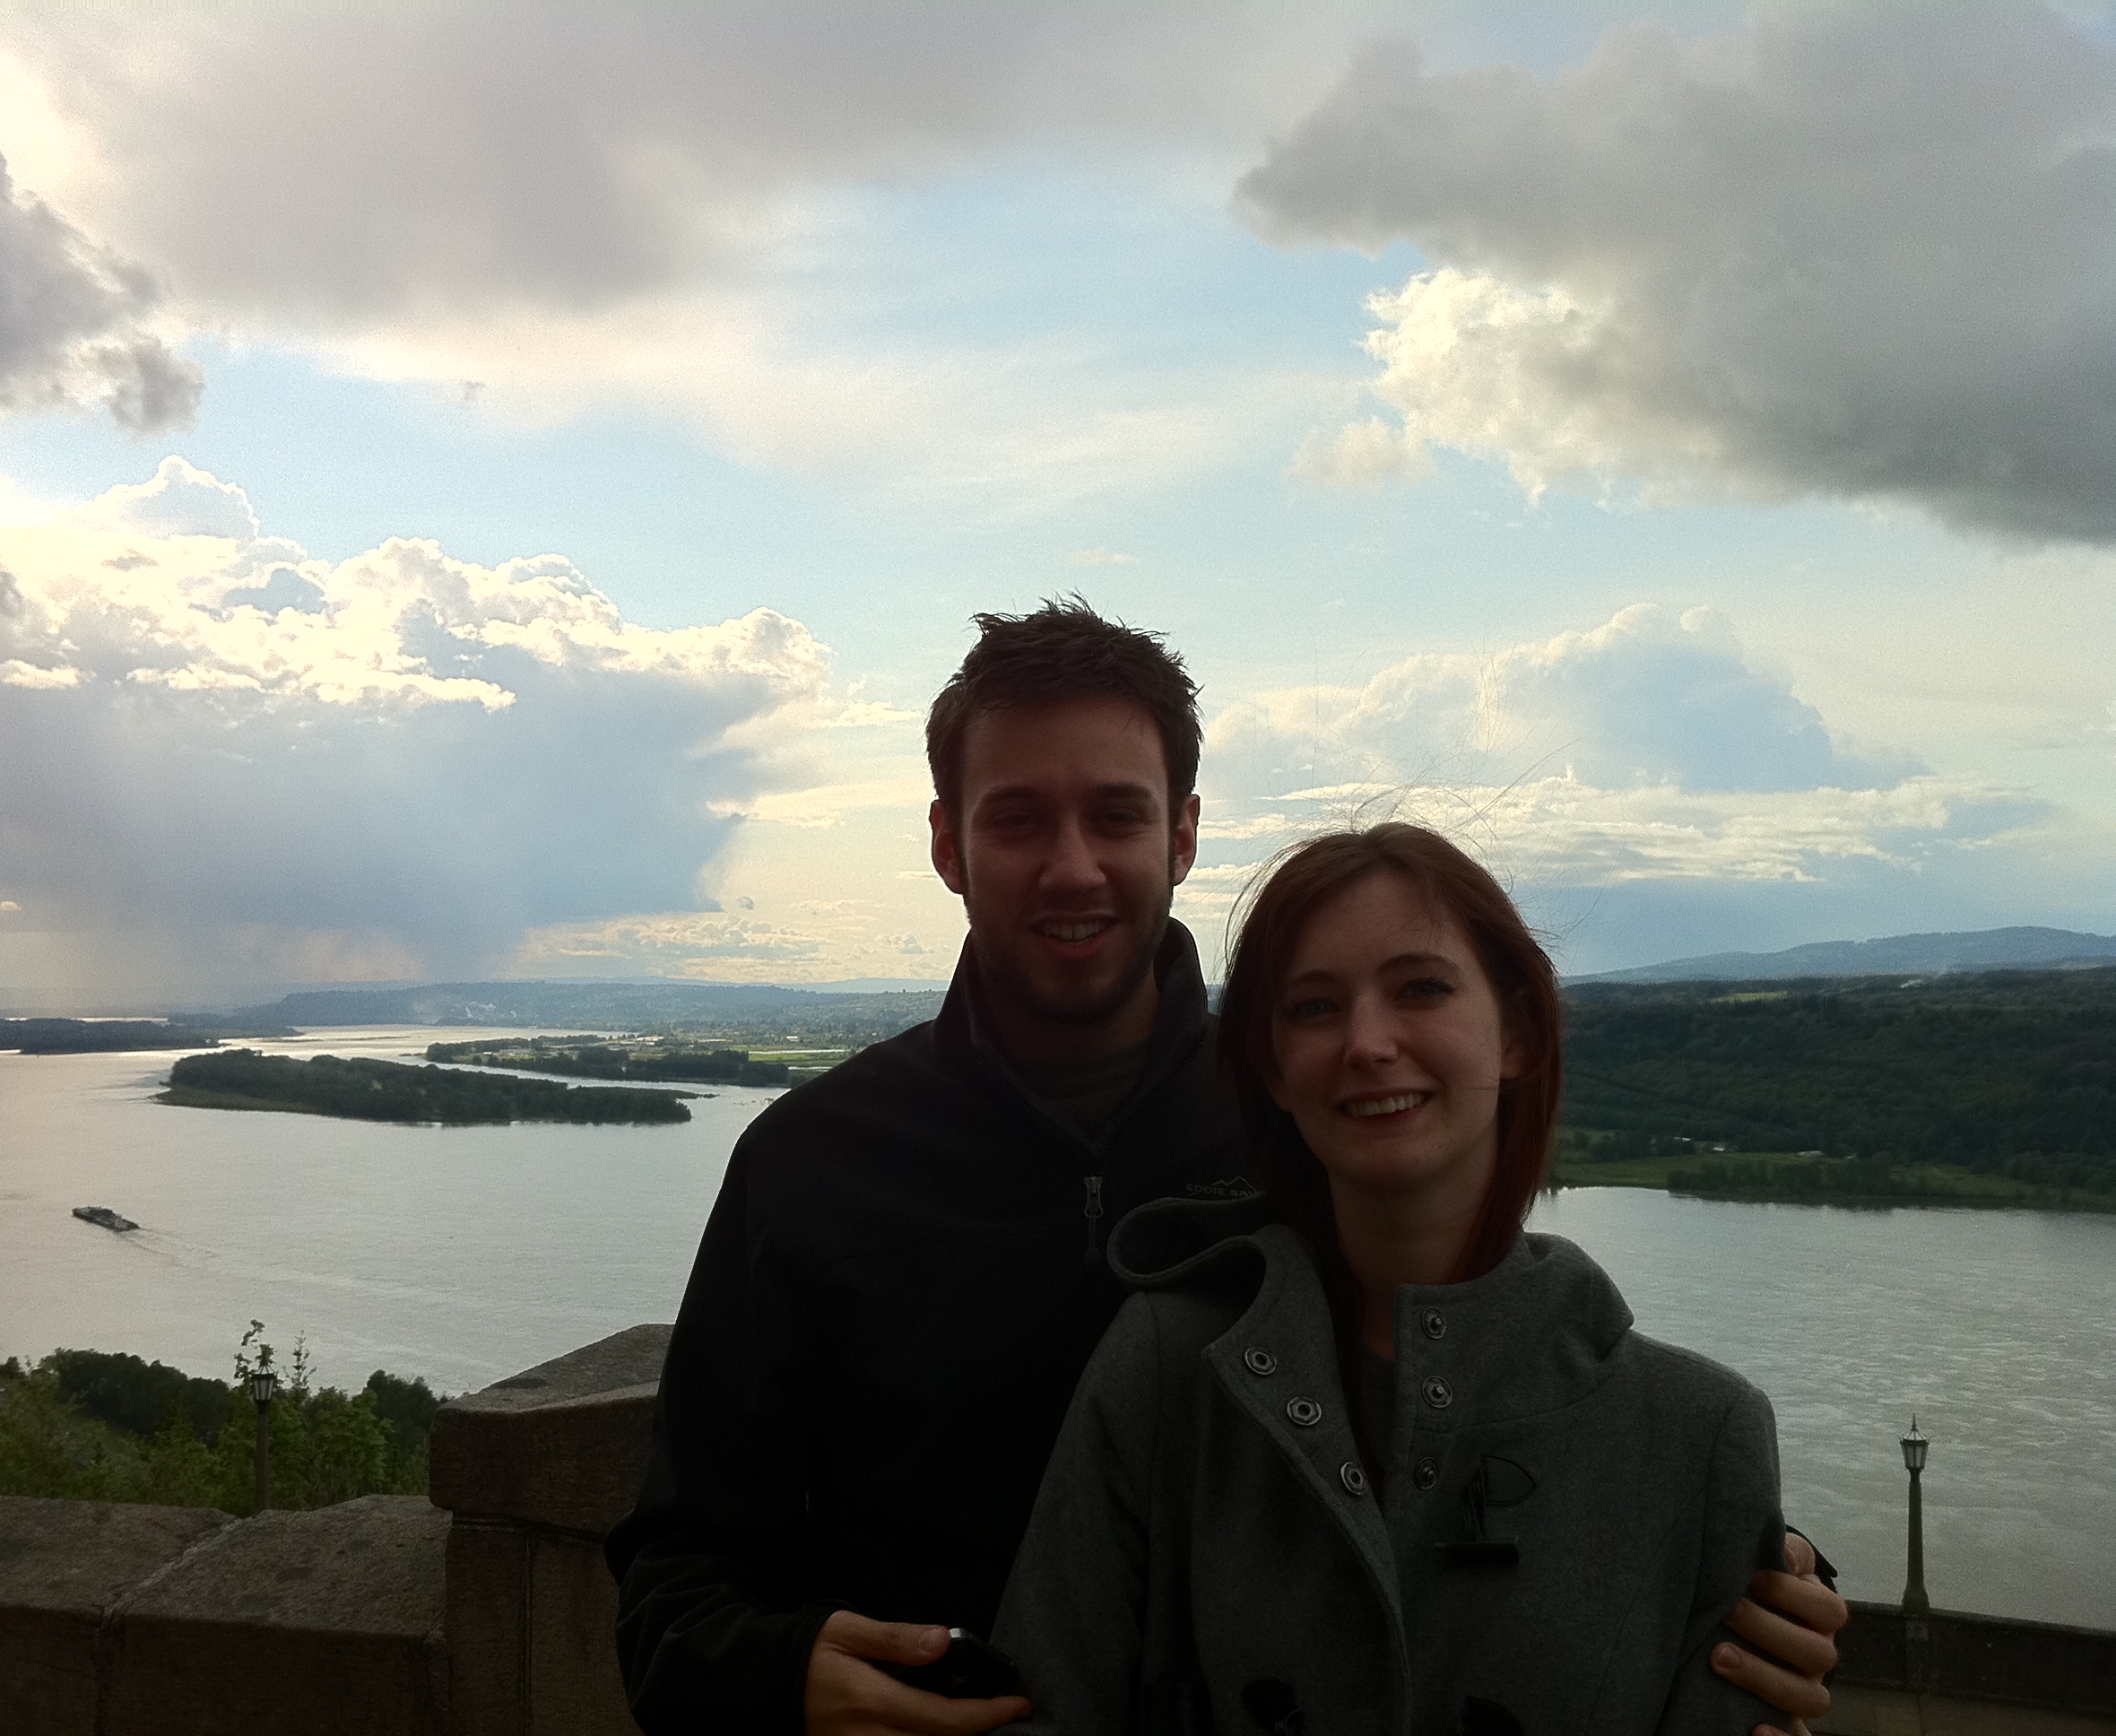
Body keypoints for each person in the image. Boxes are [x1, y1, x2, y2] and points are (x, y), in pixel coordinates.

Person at [606, 602, 1844, 1736]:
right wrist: (775, 1675)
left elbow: (1479, 1372)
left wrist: (1731, 1555)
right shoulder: (814, 1163)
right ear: (947, 844)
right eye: (1019, 817)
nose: (1074, 864)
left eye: (1118, 814)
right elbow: (675, 1579)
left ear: (1185, 833)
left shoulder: (1306, 1120)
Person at [992, 823, 1824, 1732]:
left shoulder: (1699, 1437)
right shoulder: (1166, 1374)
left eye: (1420, 988)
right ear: (1270, 1068)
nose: (1368, 1042)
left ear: (1514, 1030)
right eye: (1313, 1007)